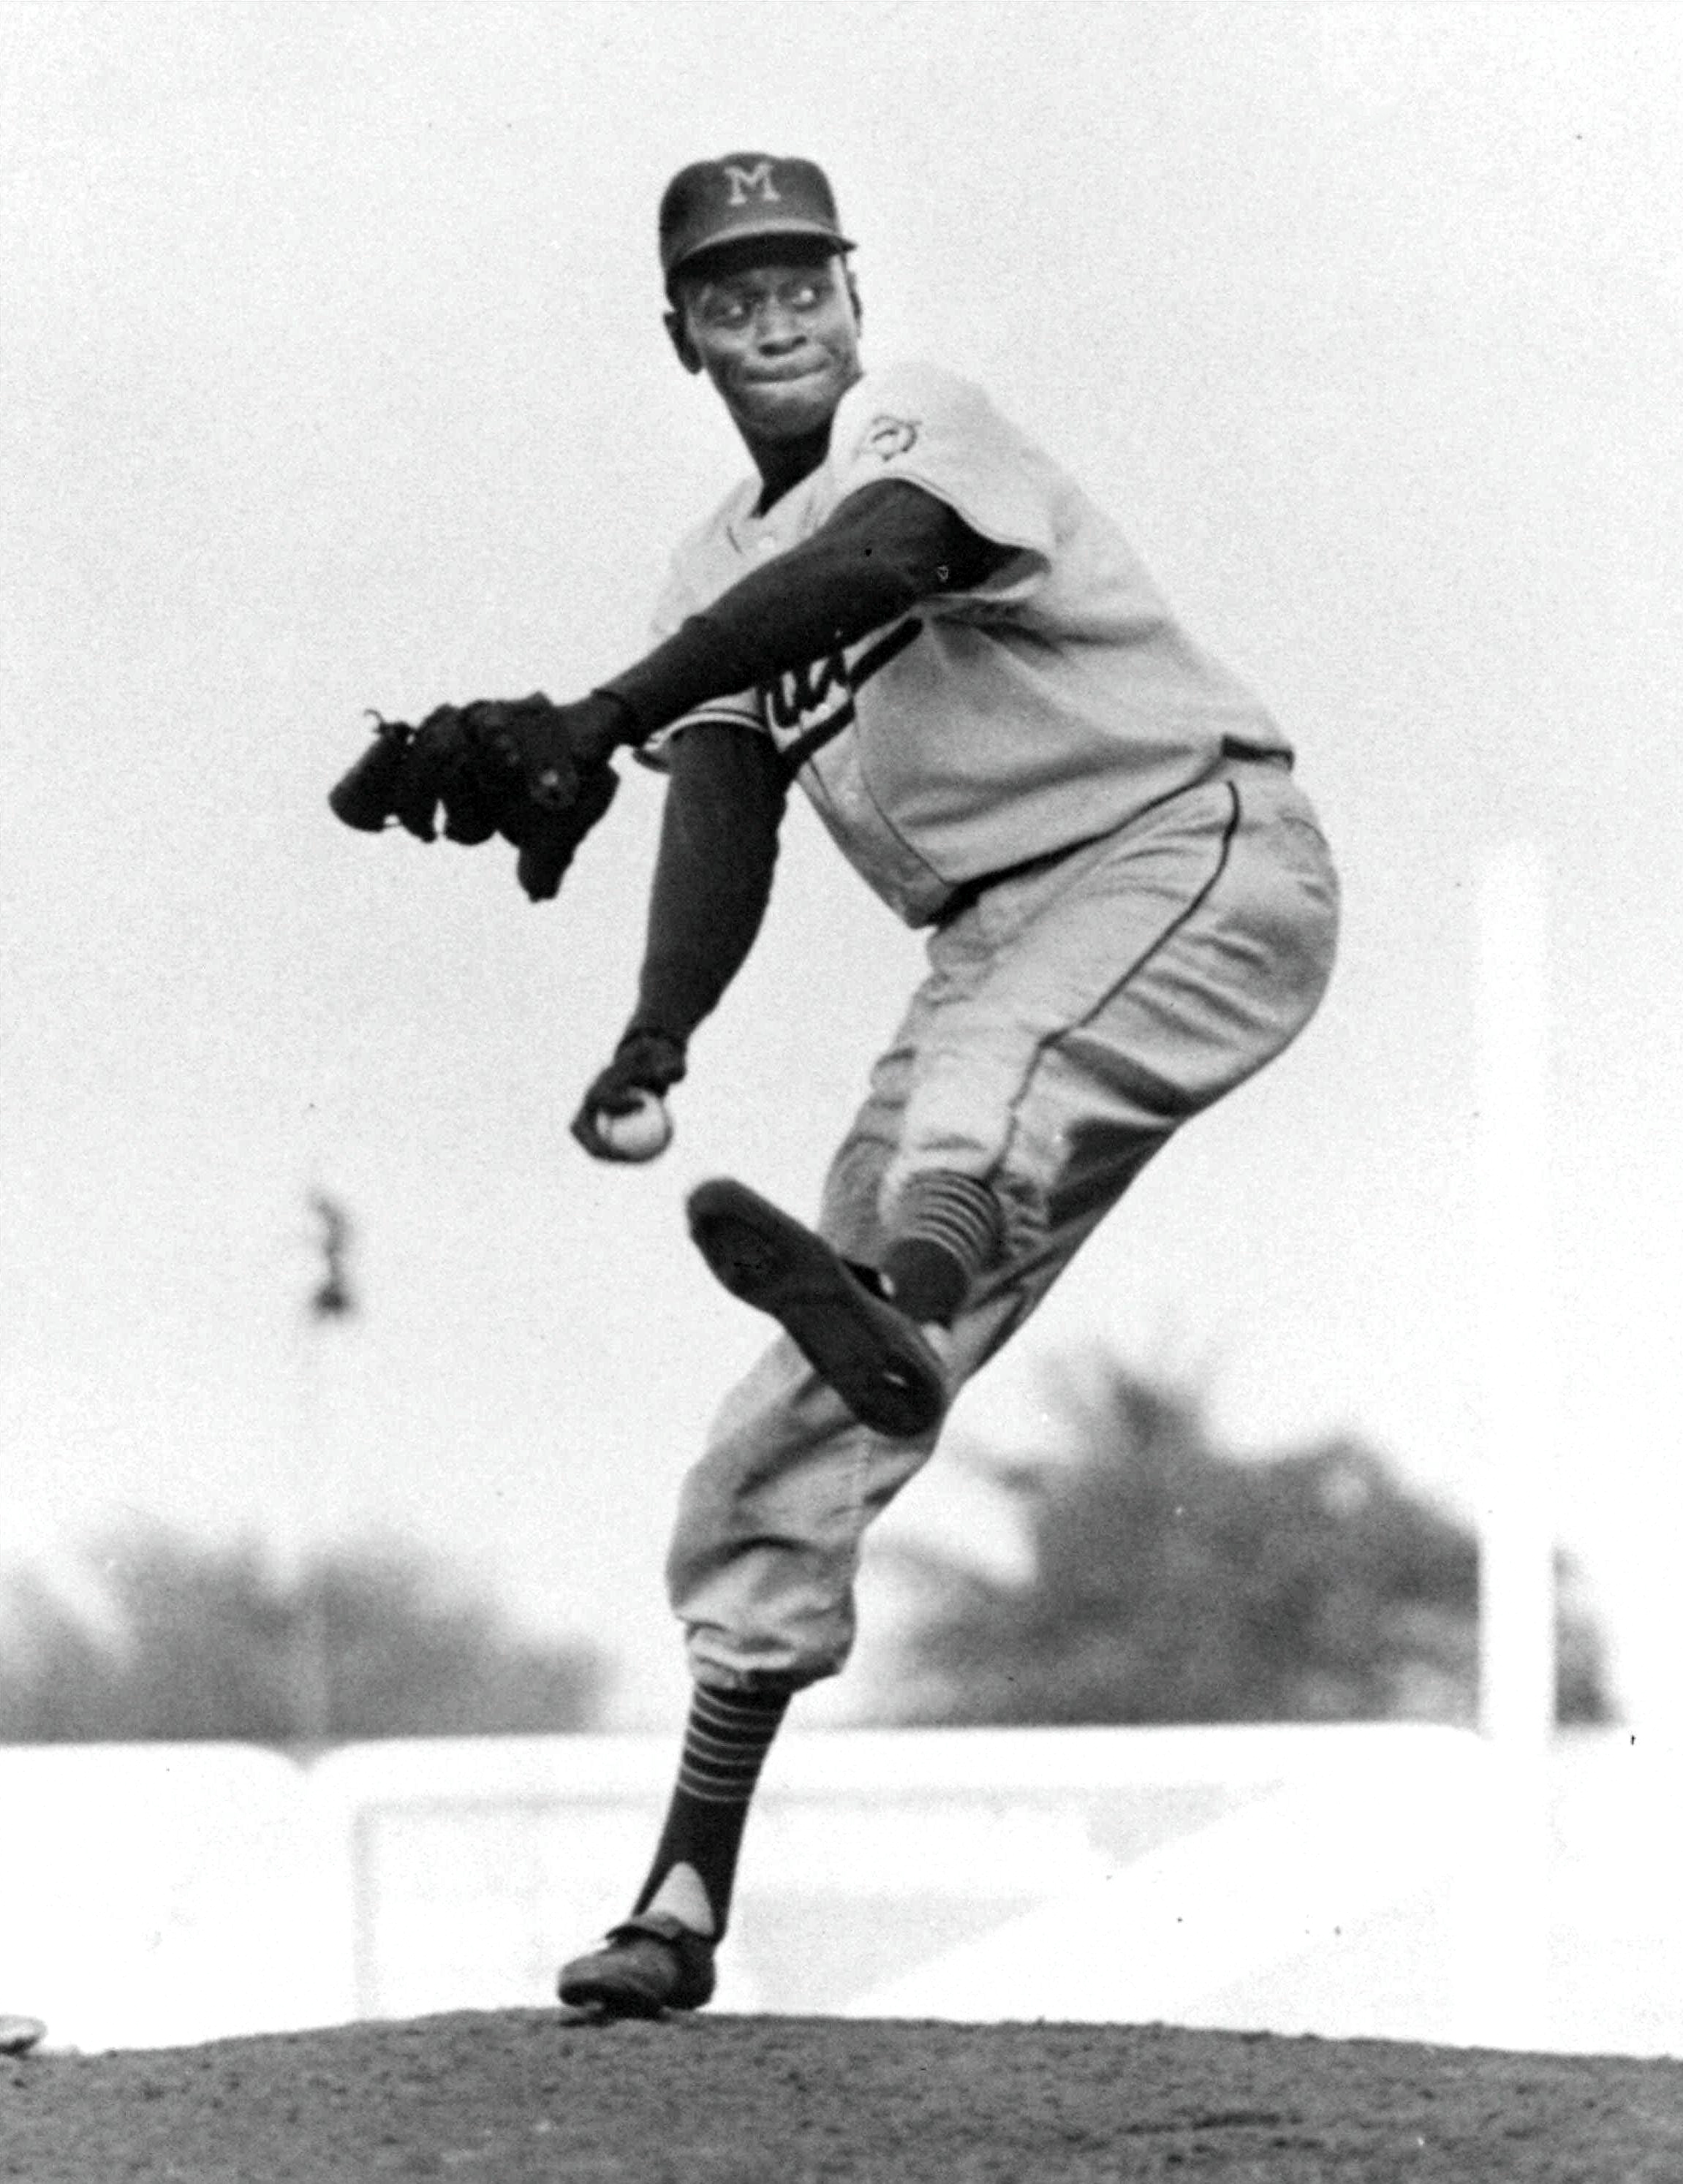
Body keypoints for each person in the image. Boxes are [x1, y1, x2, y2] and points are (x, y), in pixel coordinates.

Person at [337, 151, 1340, 2018]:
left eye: (801, 280)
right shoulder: (709, 570)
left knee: (977, 1091)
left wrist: (591, 715)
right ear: (682, 339)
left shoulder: (917, 422)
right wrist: (655, 1036)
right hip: (995, 941)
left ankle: (913, 1289)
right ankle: (683, 1902)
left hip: (1188, 845)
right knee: (783, 1431)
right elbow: (723, 813)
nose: (774, 314)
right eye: (731, 297)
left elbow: (873, 566)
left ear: (854, 299)